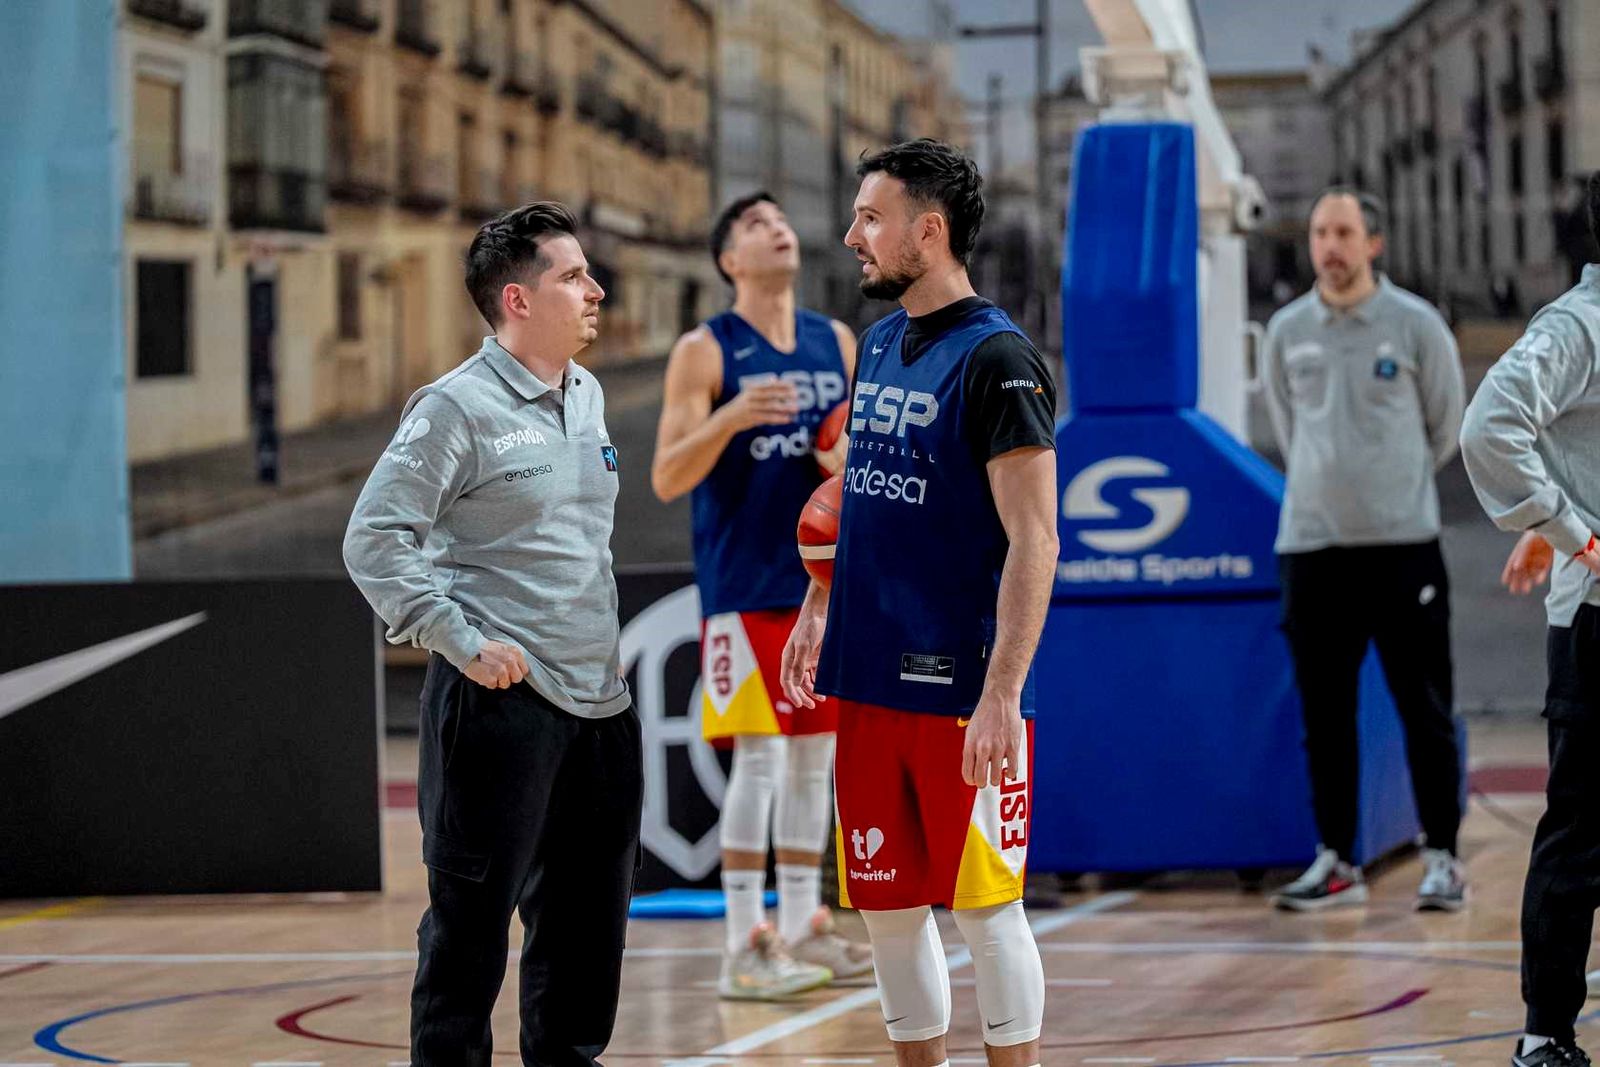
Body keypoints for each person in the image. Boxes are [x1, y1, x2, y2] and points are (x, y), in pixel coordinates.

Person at [343, 202, 641, 1066]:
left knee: (587, 942)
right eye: (574, 276)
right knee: (468, 941)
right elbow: (374, 538)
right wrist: (461, 640)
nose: (596, 289)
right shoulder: (454, 408)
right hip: (498, 706)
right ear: (517, 299)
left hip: (601, 706)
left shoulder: (585, 394)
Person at [783, 138, 1059, 1067]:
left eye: (870, 216)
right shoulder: (881, 344)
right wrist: (820, 604)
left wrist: (1001, 692)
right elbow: (858, 502)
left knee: (987, 911)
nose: (851, 234)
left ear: (926, 230)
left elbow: (1037, 539)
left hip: (958, 693)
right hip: (867, 678)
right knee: (889, 915)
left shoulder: (1001, 359)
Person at [651, 191, 870, 999]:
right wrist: (732, 416)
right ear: (728, 260)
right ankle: (744, 941)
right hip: (742, 590)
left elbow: (855, 455)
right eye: (755, 225)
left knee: (817, 763)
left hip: (820, 589)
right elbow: (667, 475)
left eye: (782, 221)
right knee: (763, 760)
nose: (777, 230)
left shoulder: (834, 339)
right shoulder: (705, 351)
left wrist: (843, 459)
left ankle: (807, 924)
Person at [1259, 188, 1468, 913]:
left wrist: (1390, 490)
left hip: (1403, 548)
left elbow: (1448, 427)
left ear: (1373, 243)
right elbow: (1290, 430)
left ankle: (1443, 856)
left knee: (1425, 707)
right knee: (1325, 713)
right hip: (1313, 549)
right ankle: (1337, 858)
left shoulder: (1415, 325)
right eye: (1321, 232)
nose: (1331, 245)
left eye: (1345, 231)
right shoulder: (1286, 331)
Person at [1461, 173, 1600, 1067]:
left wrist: (1553, 523)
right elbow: (1488, 427)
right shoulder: (1581, 324)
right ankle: (1545, 1035)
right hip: (1597, 621)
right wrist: (1568, 530)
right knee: (1581, 834)